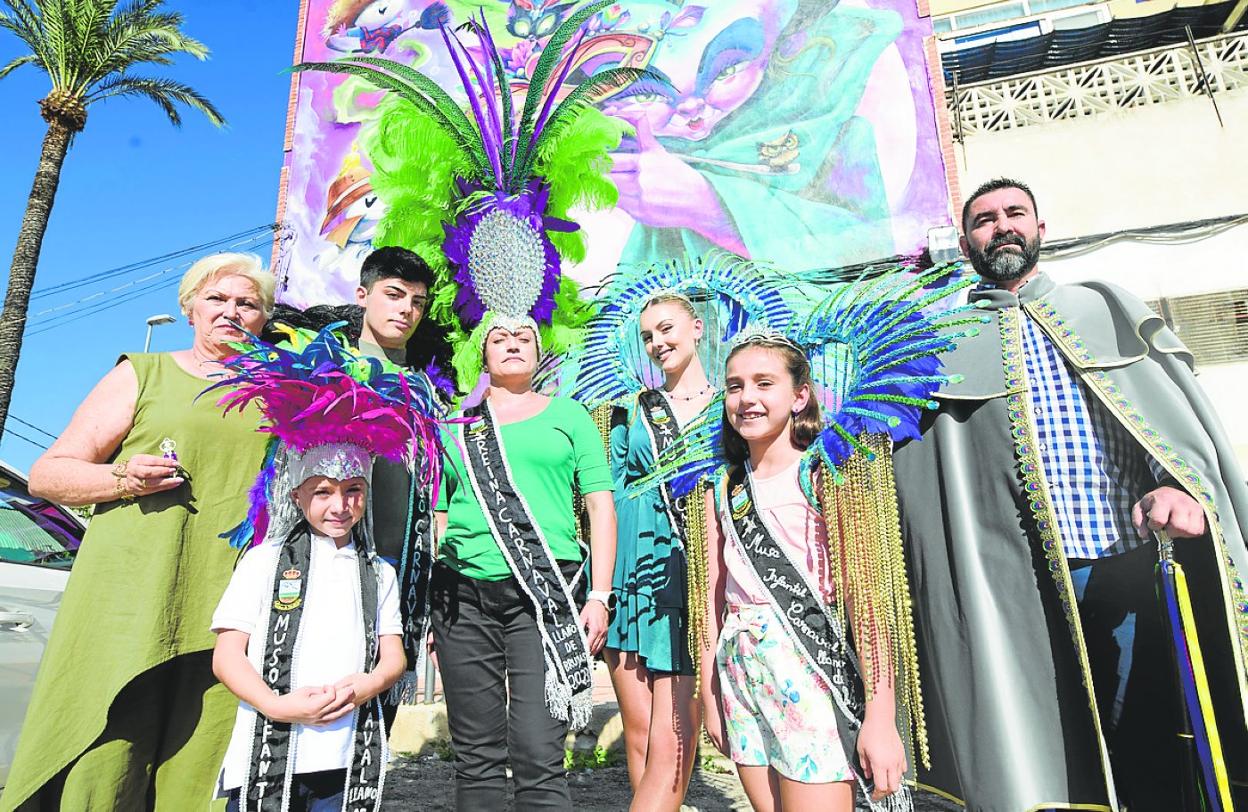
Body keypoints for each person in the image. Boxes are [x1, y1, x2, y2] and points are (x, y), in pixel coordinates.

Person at [893, 178, 1248, 809]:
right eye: (983, 220)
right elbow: (919, 473)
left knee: (1150, 729)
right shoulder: (936, 341)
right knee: (1050, 739)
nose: (1000, 226)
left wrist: (1177, 487)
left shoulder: (1104, 308)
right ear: (966, 242)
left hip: (1128, 562)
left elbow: (1170, 427)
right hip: (1020, 583)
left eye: (1014, 214)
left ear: (1039, 229)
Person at [0, 253, 274, 811]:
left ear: (264, 319)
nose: (231, 312)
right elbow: (50, 474)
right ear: (189, 308)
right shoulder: (145, 373)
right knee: (106, 759)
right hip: (129, 599)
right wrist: (123, 475)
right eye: (216, 299)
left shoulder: (284, 395)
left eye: (247, 304)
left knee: (205, 773)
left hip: (233, 609)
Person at [207, 325, 433, 811]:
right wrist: (277, 704)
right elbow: (227, 656)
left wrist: (367, 685)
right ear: (297, 496)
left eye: (352, 491)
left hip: (347, 753)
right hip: (268, 749)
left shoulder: (380, 573)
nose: (339, 504)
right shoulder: (264, 560)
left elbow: (394, 657)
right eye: (323, 491)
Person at [700, 334, 909, 812]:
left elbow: (868, 598)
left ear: (800, 396)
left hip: (811, 669)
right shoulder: (724, 488)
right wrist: (711, 694)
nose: (746, 397)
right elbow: (712, 598)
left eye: (763, 383)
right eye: (734, 386)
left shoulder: (827, 474)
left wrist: (880, 715)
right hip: (742, 672)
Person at [432, 317, 617, 811]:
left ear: (539, 352)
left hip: (546, 595)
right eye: (499, 338)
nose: (512, 344)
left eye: (523, 337)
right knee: (476, 755)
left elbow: (600, 505)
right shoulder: (456, 422)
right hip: (464, 598)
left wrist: (600, 596)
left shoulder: (571, 415)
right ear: (483, 353)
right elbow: (440, 511)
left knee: (538, 750)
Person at [270, 245, 450, 725]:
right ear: (363, 295)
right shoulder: (321, 367)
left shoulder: (428, 390)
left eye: (418, 301)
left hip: (399, 573)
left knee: (373, 729)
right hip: (322, 566)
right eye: (394, 295)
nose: (406, 310)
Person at [605, 292, 715, 808]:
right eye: (647, 336)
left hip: (691, 570)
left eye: (667, 329)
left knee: (674, 732)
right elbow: (615, 491)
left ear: (696, 328)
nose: (657, 343)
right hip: (634, 573)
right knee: (639, 729)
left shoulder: (730, 405)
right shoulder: (634, 409)